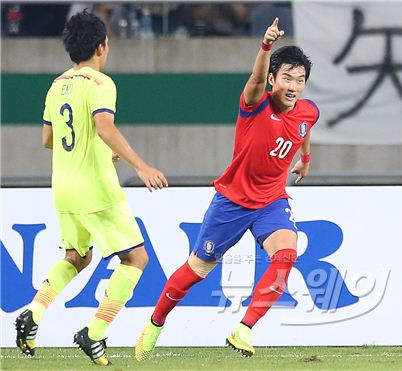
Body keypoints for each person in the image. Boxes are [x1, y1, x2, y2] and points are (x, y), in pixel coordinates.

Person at [135, 17, 318, 360]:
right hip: (232, 201)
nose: (294, 86)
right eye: (287, 78)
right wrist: (265, 46)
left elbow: (305, 127)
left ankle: (243, 329)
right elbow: (253, 79)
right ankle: (155, 322)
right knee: (198, 270)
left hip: (271, 201)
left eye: (301, 79)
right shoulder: (255, 104)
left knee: (286, 255)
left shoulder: (308, 111)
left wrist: (305, 158)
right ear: (272, 79)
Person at [14, 10, 168, 366]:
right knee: (137, 258)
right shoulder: (101, 83)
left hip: (63, 188)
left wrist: (99, 148)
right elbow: (103, 127)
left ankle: (34, 313)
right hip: (95, 189)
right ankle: (95, 332)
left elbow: (48, 139)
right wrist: (141, 166)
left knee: (77, 257)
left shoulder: (56, 85)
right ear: (102, 46)